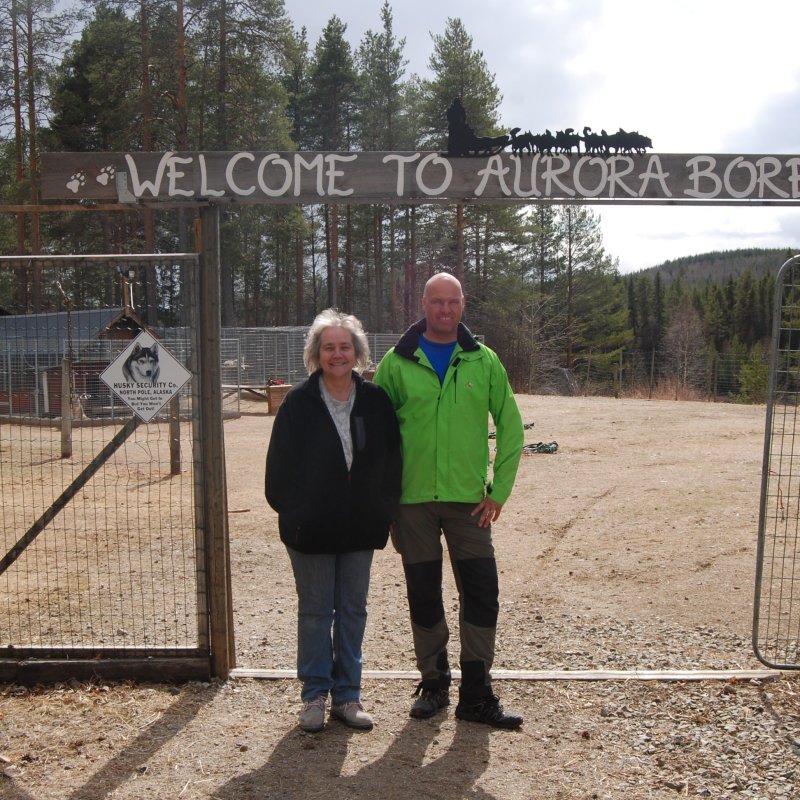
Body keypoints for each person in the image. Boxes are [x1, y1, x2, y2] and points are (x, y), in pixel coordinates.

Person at [373, 272, 524, 729]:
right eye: (436, 301)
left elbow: (512, 428)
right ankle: (434, 684)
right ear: (423, 303)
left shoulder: (484, 361)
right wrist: (385, 504)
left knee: (481, 594)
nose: (444, 309)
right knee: (424, 594)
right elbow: (377, 437)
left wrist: (498, 492)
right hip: (412, 504)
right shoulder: (396, 364)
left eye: (452, 301)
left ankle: (476, 694)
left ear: (463, 305)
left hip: (467, 504)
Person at [265, 309, 402, 733]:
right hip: (311, 533)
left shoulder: (376, 401)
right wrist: (299, 513)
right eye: (329, 347)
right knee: (315, 611)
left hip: (360, 529)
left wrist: (381, 511)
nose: (337, 354)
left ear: (357, 352)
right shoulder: (297, 404)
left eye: (345, 347)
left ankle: (348, 696)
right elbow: (278, 473)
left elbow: (392, 463)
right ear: (317, 354)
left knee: (352, 611)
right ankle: (314, 696)